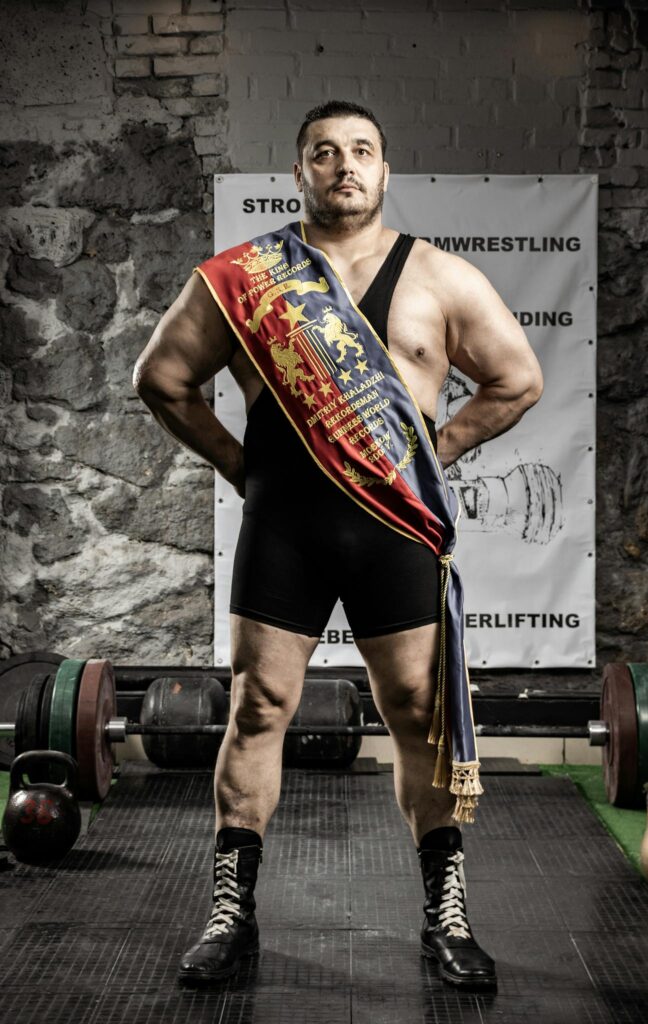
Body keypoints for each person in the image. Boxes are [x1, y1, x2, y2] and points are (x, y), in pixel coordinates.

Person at [133, 100, 543, 988]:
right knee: (256, 708)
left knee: (416, 715)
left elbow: (517, 379)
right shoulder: (244, 279)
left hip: (394, 527)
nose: (343, 166)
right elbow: (161, 379)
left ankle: (446, 918)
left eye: (361, 151)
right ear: (299, 174)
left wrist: (437, 450)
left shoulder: (439, 278)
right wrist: (244, 468)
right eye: (324, 153)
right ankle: (230, 917)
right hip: (285, 525)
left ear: (385, 171)